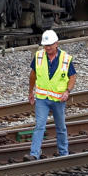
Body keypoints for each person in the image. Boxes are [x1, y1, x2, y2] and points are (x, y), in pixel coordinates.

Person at [27, 29, 76, 159]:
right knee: (39, 126)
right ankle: (34, 154)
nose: (47, 48)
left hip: (59, 99)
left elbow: (72, 77)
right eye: (45, 45)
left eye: (50, 45)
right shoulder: (38, 56)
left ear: (56, 44)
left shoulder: (66, 58)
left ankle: (63, 153)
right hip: (42, 98)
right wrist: (31, 91)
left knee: (60, 127)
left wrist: (67, 91)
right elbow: (33, 75)